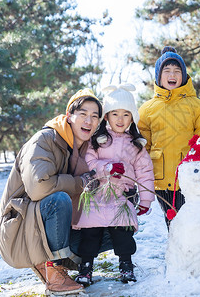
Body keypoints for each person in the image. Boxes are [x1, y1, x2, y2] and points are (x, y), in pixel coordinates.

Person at [0, 88, 104, 295]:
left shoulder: (82, 150)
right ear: (69, 116)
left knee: (107, 222)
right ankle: (53, 271)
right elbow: (38, 188)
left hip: (38, 225)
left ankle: (63, 264)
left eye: (94, 116)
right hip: (17, 230)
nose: (89, 121)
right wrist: (80, 183)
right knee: (59, 199)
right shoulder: (44, 140)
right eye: (83, 114)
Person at [73, 83, 155, 285]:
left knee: (123, 233)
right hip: (97, 195)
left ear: (133, 117)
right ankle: (86, 267)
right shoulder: (97, 141)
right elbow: (89, 162)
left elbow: (144, 172)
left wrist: (145, 199)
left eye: (126, 114)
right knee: (90, 232)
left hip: (121, 196)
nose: (120, 119)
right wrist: (107, 167)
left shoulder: (136, 144)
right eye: (115, 113)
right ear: (106, 116)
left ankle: (126, 264)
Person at [138, 46, 200, 228]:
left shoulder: (196, 106)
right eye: (167, 71)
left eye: (176, 71)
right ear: (159, 76)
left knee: (193, 219)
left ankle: (196, 251)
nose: (172, 75)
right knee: (173, 220)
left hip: (190, 174)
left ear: (183, 75)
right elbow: (143, 145)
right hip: (162, 177)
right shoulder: (147, 109)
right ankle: (178, 253)